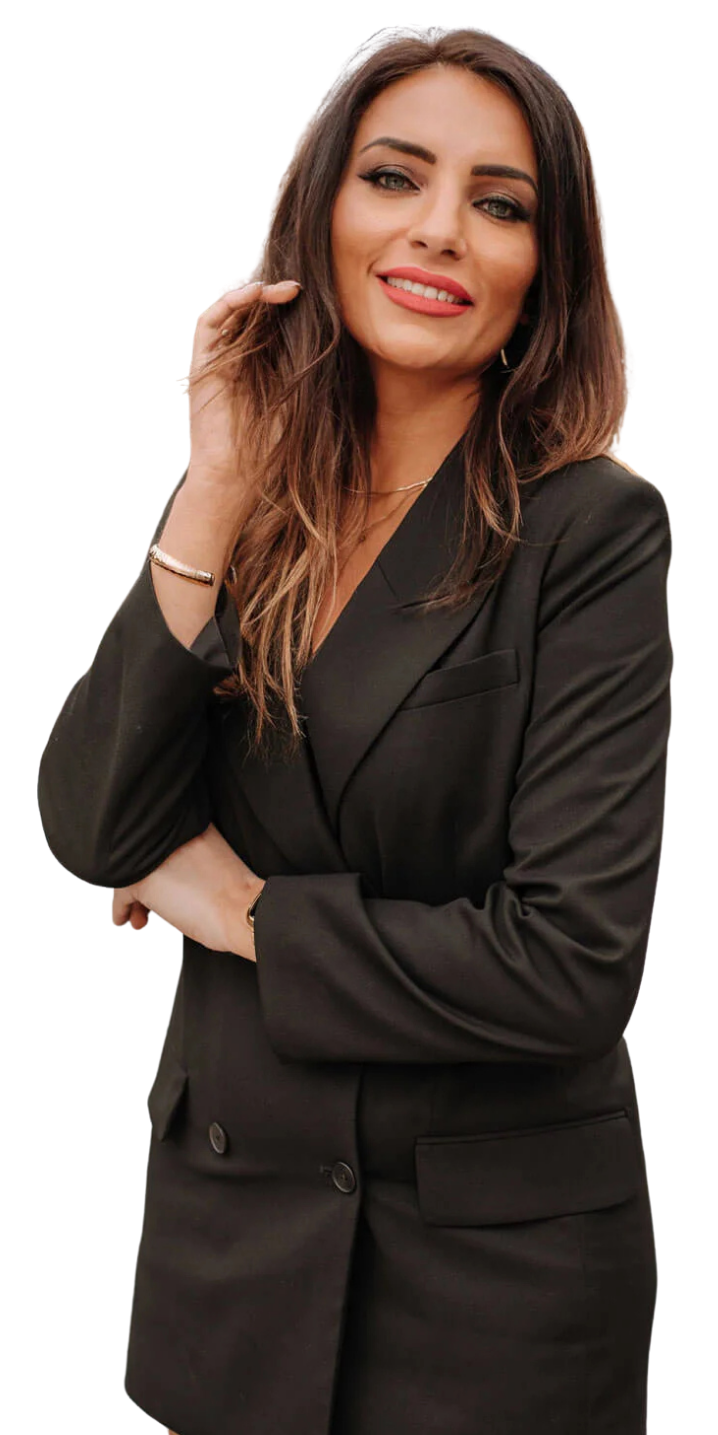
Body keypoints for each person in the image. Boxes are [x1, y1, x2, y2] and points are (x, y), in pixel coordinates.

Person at [38, 25, 671, 1435]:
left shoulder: (592, 527)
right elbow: (91, 821)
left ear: (546, 266)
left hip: (487, 1294)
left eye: (500, 202)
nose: (439, 228)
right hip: (227, 1248)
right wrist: (211, 486)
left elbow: (567, 966)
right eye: (395, 176)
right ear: (320, 210)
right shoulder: (251, 497)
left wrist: (241, 911)